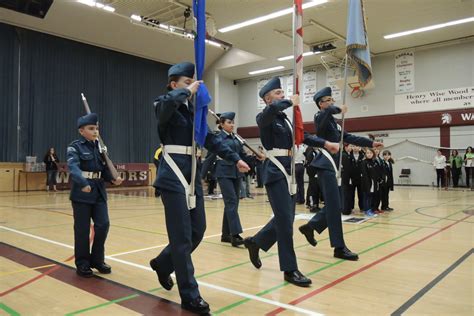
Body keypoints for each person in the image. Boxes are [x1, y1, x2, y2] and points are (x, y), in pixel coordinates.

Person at [149, 62, 250, 315]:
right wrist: (188, 90)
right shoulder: (165, 104)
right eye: (186, 82)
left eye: (192, 82)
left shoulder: (194, 114)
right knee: (182, 237)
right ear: (174, 84)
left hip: (192, 176)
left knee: (197, 231)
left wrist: (234, 158)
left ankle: (162, 263)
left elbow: (210, 139)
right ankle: (190, 295)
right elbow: (166, 107)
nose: (192, 86)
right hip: (173, 177)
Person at [243, 77, 337, 287]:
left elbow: (302, 137)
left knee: (287, 217)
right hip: (275, 171)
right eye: (277, 93)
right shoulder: (265, 116)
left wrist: (326, 143)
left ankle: (256, 242)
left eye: (282, 93)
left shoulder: (285, 119)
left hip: (290, 169)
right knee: (285, 222)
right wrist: (289, 102)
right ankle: (289, 269)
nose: (282, 95)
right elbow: (268, 113)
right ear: (268, 99)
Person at [298, 87, 382, 261]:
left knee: (336, 204)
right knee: (336, 206)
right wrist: (337, 109)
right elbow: (325, 114)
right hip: (325, 163)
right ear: (321, 103)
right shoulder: (320, 116)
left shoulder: (333, 123)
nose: (332, 101)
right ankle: (339, 247)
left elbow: (348, 137)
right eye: (328, 100)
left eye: (332, 99)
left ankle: (311, 226)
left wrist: (371, 144)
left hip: (333, 165)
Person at [66, 113, 123, 278]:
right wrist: (83, 183)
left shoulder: (100, 147)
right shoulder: (75, 147)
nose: (95, 131)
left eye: (97, 128)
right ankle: (83, 262)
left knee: (103, 225)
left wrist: (113, 179)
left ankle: (97, 260)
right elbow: (73, 168)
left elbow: (104, 170)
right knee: (82, 230)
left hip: (98, 191)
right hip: (82, 192)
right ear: (81, 131)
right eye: (91, 128)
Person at [215, 112, 259, 247]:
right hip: (224, 172)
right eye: (229, 122)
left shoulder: (236, 138)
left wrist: (255, 158)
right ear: (221, 124)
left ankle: (225, 235)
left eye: (233, 122)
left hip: (235, 173)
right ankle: (235, 235)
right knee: (231, 202)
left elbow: (242, 156)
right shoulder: (218, 138)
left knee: (233, 204)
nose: (232, 125)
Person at [361, 148, 379, 217]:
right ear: (365, 154)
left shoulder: (374, 162)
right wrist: (367, 184)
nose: (369, 154)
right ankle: (366, 210)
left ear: (373, 154)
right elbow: (364, 174)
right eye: (367, 153)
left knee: (371, 197)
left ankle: (370, 209)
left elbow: (376, 173)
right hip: (366, 183)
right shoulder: (364, 162)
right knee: (366, 197)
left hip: (373, 182)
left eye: (370, 153)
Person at [304, 146, 321, 212]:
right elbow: (309, 165)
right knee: (312, 191)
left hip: (317, 174)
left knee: (316, 190)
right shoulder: (311, 153)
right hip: (313, 175)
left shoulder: (318, 152)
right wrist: (312, 174)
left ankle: (316, 205)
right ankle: (312, 205)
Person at [350, 146, 364, 212]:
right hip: (352, 178)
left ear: (360, 148)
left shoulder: (363, 156)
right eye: (353, 146)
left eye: (357, 146)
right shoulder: (349, 155)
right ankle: (351, 207)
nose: (355, 147)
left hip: (360, 179)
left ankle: (362, 207)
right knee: (351, 194)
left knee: (361, 194)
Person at [341, 144, 354, 215]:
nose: (351, 148)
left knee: (348, 194)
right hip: (346, 178)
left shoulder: (349, 154)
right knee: (345, 194)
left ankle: (348, 208)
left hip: (349, 177)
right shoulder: (344, 155)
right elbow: (347, 168)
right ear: (345, 147)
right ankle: (345, 210)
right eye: (350, 146)